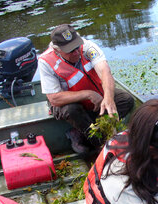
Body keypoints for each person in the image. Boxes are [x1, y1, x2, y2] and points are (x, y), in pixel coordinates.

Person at [38, 24, 134, 155]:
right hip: (67, 102)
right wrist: (88, 94)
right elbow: (54, 98)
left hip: (96, 92)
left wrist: (108, 98)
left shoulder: (88, 46)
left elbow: (105, 71)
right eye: (70, 51)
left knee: (126, 100)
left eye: (77, 47)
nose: (77, 52)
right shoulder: (46, 62)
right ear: (57, 50)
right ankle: (102, 146)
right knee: (72, 110)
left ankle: (80, 134)